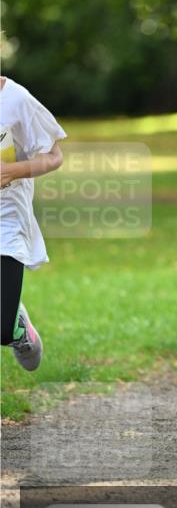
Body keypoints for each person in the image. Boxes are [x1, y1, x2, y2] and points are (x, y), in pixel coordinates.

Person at [0, 65, 67, 370]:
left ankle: (18, 328)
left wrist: (14, 171)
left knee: (2, 329)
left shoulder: (17, 100)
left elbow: (54, 156)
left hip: (6, 220)